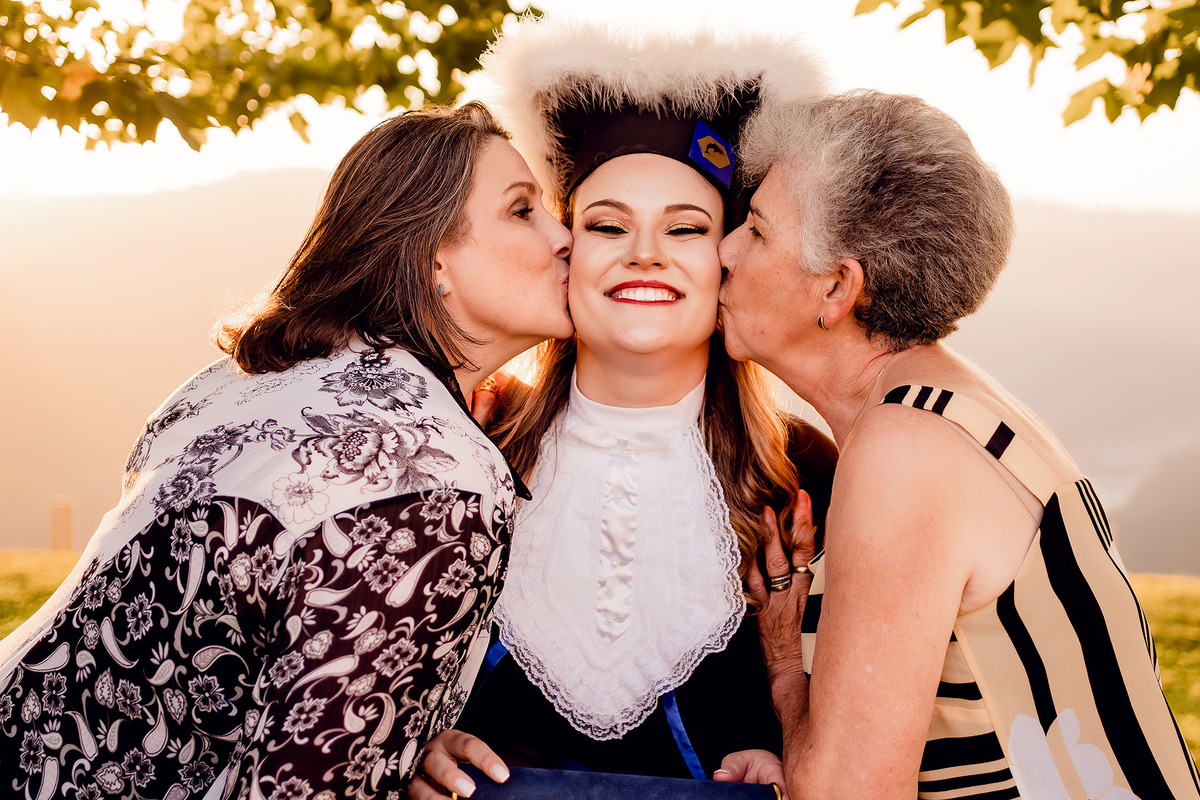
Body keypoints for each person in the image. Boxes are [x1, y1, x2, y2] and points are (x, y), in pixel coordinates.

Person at [0, 102, 578, 800]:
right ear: (433, 260)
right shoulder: (437, 484)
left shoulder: (233, 382)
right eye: (522, 211)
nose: (564, 236)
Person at [716, 90, 1200, 799]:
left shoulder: (907, 447)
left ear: (838, 288)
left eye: (756, 231)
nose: (725, 249)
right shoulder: (956, 408)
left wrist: (787, 672)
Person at [410, 19, 834, 800]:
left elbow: (855, 716)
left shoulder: (806, 473)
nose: (645, 253)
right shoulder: (466, 441)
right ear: (564, 253)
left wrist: (776, 756)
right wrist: (414, 745)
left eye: (686, 228)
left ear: (729, 261)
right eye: (607, 225)